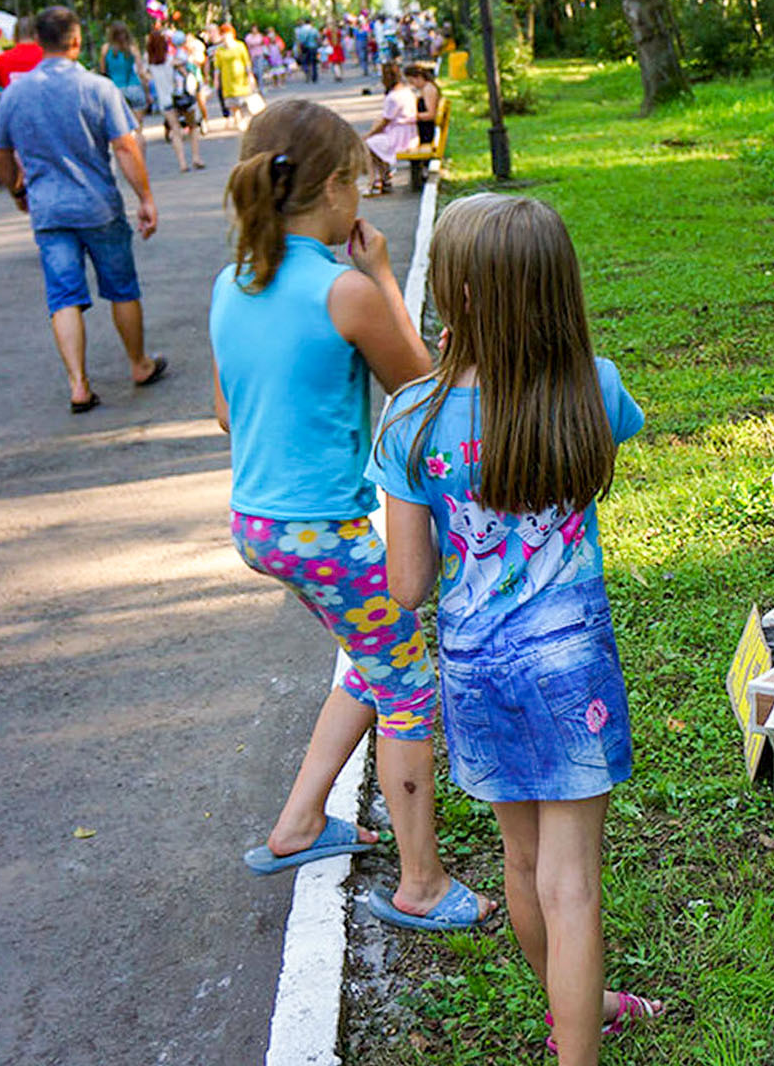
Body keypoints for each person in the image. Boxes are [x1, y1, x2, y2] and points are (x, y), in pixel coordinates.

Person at [367, 193, 661, 1064]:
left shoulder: (410, 419)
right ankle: (582, 1032)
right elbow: (603, 453)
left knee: (522, 863)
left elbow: (411, 583)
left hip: (474, 669)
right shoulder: (595, 388)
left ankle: (577, 1007)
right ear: (553, 290)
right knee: (574, 885)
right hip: (572, 664)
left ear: (453, 298)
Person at [210, 99, 493, 932]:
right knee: (410, 687)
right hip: (323, 533)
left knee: (372, 656)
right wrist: (381, 278)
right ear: (336, 189)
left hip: (259, 526)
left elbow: (229, 416)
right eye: (361, 181)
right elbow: (419, 389)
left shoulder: (232, 282)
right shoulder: (342, 290)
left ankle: (299, 824)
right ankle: (422, 884)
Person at [0, 6, 166, 414]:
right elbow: (125, 146)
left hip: (48, 211)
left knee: (63, 296)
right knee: (121, 288)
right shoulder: (97, 87)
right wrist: (145, 197)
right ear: (75, 41)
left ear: (37, 40)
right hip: (98, 206)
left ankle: (78, 384)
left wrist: (15, 190)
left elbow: (1, 150)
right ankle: (139, 364)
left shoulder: (16, 92)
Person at [363, 62, 414, 195]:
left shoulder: (393, 97)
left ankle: (374, 180)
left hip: (399, 136)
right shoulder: (406, 91)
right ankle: (384, 177)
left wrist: (369, 134)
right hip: (408, 132)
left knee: (369, 144)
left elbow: (385, 121)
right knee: (375, 143)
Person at [158, 31, 206, 172]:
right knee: (193, 126)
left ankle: (182, 162)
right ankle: (196, 157)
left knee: (176, 130)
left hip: (170, 98)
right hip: (185, 96)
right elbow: (190, 74)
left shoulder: (164, 59)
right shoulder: (183, 57)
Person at [210, 24, 260, 131]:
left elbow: (246, 62)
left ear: (232, 34)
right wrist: (216, 80)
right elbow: (217, 67)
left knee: (244, 103)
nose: (225, 36)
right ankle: (239, 123)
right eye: (223, 34)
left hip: (241, 80)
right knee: (233, 105)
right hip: (228, 81)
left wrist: (250, 76)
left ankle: (246, 121)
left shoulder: (240, 46)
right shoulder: (219, 51)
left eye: (227, 34)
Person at [100, 22, 147, 116]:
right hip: (133, 86)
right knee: (138, 119)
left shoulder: (105, 49)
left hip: (115, 88)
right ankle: (138, 131)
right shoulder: (132, 48)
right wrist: (147, 90)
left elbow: (103, 72)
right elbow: (141, 72)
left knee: (120, 120)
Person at [0, 17, 43, 88]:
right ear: (38, 34)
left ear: (14, 36)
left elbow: (1, 83)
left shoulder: (2, 59)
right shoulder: (48, 56)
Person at [406, 61, 440, 145]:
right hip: (424, 129)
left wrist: (413, 117)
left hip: (427, 132)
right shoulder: (425, 89)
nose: (413, 85)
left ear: (419, 77)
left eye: (412, 81)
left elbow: (431, 114)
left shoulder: (428, 89)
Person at [294, 16, 320, 83]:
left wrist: (299, 49)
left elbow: (299, 41)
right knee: (314, 62)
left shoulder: (301, 30)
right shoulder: (314, 29)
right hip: (313, 47)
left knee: (305, 61)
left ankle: (307, 72)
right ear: (311, 22)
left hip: (305, 48)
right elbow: (318, 39)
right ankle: (314, 77)